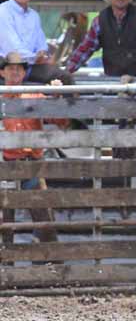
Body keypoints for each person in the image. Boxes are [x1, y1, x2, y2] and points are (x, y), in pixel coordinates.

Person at [0, 52, 70, 246]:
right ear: (2, 72)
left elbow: (61, 121)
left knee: (45, 220)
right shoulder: (2, 97)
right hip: (6, 166)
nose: (15, 72)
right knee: (4, 223)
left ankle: (47, 266)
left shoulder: (35, 95)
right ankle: (7, 268)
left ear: (24, 73)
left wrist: (57, 96)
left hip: (31, 164)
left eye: (19, 69)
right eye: (11, 68)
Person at [0, 0, 74, 85]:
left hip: (30, 66)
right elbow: (12, 49)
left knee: (64, 77)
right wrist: (36, 57)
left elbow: (41, 45)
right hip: (6, 66)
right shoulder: (2, 12)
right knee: (61, 77)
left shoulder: (34, 15)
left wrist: (42, 53)